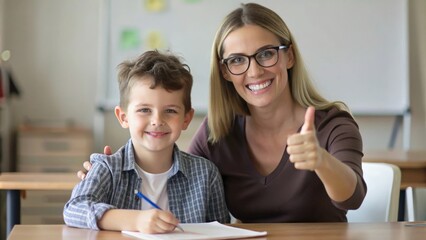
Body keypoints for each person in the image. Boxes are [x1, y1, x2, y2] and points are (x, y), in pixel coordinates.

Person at [79, 3, 366, 223]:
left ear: (288, 56)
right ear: (226, 72)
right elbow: (182, 176)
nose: (254, 71)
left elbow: (352, 198)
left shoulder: (333, 124)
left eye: (266, 53)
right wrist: (107, 176)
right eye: (237, 60)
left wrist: (321, 161)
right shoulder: (218, 132)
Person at [65, 50, 230, 234]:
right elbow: (74, 209)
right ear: (123, 117)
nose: (157, 120)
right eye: (144, 110)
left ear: (186, 118)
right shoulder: (107, 168)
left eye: (170, 111)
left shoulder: (206, 175)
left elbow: (223, 232)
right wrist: (135, 220)